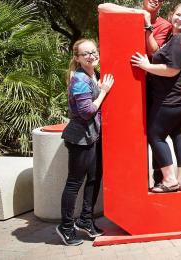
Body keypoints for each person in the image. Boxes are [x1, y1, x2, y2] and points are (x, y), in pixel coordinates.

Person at [99, 0, 173, 186]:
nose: (154, 0)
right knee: (130, 132)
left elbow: (154, 52)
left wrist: (147, 25)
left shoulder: (165, 25)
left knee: (156, 133)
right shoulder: (130, 14)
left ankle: (159, 179)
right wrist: (137, 13)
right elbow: (102, 7)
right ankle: (131, 183)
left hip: (153, 85)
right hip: (128, 83)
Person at [130, 3, 181, 193]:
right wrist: (148, 28)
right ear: (172, 15)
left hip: (171, 99)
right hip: (179, 98)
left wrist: (146, 66)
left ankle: (169, 180)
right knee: (178, 135)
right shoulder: (174, 38)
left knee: (155, 135)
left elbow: (171, 70)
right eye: (178, 15)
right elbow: (157, 51)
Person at [57, 39, 114, 246]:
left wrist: (100, 87)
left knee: (94, 178)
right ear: (77, 58)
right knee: (74, 183)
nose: (91, 55)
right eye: (85, 54)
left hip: (92, 137)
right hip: (79, 139)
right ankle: (65, 227)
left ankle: (85, 220)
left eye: (93, 51)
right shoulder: (79, 79)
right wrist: (105, 91)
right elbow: (87, 111)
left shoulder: (92, 74)